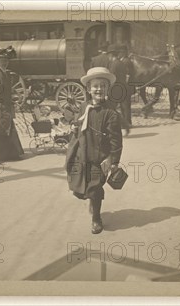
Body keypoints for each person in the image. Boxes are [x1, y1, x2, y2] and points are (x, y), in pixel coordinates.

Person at [65, 67, 123, 234]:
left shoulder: (111, 113)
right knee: (80, 186)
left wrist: (113, 159)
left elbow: (116, 139)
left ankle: (96, 218)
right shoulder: (84, 107)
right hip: (83, 155)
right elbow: (79, 126)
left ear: (107, 89)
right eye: (95, 86)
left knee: (95, 187)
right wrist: (73, 124)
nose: (99, 89)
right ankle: (92, 199)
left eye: (103, 86)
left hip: (100, 158)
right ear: (89, 89)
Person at [106, 44, 133, 136]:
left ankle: (122, 126)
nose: (108, 57)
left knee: (111, 108)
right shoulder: (121, 62)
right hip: (123, 87)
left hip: (116, 90)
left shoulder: (114, 64)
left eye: (108, 55)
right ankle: (126, 125)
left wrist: (108, 90)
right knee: (122, 108)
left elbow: (113, 78)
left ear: (111, 55)